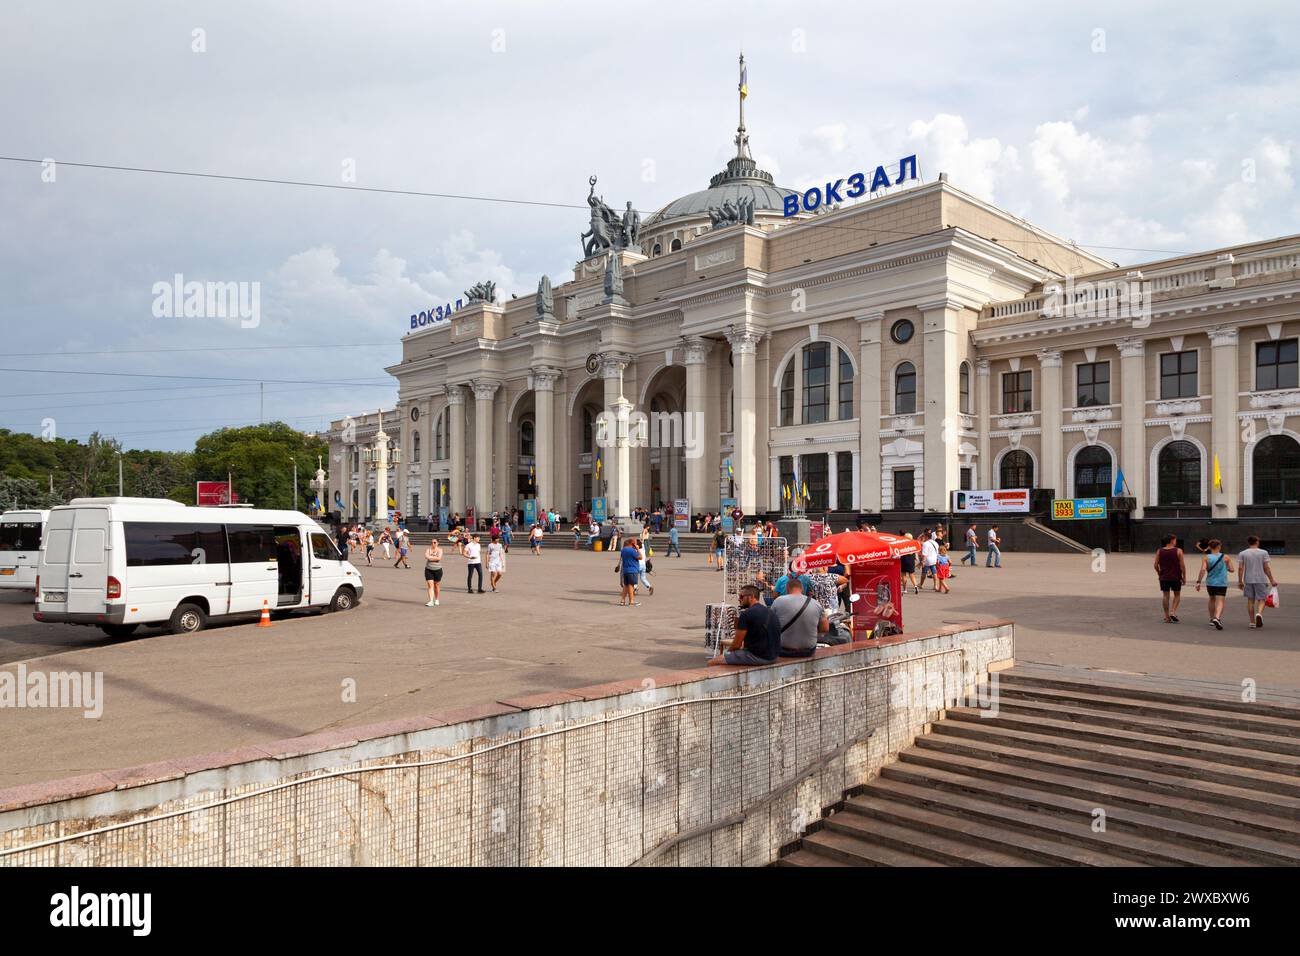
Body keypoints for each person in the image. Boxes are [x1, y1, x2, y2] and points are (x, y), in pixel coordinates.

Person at [708, 584, 778, 667]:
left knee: (712, 662)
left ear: (751, 597)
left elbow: (737, 644)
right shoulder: (770, 612)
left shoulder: (746, 614)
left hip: (758, 657)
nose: (739, 599)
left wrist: (727, 654)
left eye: (741, 596)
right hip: (773, 656)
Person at [772, 577, 840, 658]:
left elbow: (771, 624)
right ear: (802, 588)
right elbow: (825, 628)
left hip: (784, 650)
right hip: (808, 651)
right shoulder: (816, 604)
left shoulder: (778, 601)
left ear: (787, 589)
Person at [1237, 535, 1278, 629]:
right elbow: (1266, 568)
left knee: (1250, 600)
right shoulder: (1263, 552)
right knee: (1262, 599)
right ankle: (1259, 614)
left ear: (1248, 543)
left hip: (1248, 579)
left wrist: (1240, 581)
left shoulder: (1243, 553)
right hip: (1261, 579)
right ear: (1257, 542)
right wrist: (1272, 580)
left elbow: (1240, 568)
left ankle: (1252, 622)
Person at [1194, 539, 1233, 630]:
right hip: (1221, 583)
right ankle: (1217, 617)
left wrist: (1198, 582)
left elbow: (1203, 570)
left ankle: (1212, 619)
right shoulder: (1226, 557)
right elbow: (1231, 569)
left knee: (1212, 599)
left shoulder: (1206, 557)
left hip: (1210, 582)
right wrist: (1225, 566)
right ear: (1219, 546)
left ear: (1209, 547)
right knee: (1220, 601)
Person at [1154, 534, 1186, 623]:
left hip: (1164, 576)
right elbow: (1182, 566)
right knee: (1177, 595)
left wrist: (1159, 573)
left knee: (1165, 596)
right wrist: (1184, 577)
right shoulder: (1179, 551)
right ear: (1172, 540)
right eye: (1175, 540)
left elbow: (1155, 565)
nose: (1176, 541)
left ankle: (1166, 616)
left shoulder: (1159, 551)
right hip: (1176, 576)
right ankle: (1173, 611)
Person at [619, 537, 642, 606]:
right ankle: (631, 601)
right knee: (631, 585)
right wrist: (637, 549)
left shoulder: (623, 550)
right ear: (632, 543)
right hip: (632, 570)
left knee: (625, 586)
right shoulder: (632, 551)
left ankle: (622, 601)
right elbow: (641, 557)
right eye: (635, 543)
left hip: (625, 570)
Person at [423, 538, 444, 606]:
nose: (433, 544)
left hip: (438, 569)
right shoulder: (428, 550)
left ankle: (437, 599)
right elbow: (426, 556)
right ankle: (431, 601)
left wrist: (430, 557)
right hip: (428, 569)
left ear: (438, 543)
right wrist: (434, 558)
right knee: (430, 585)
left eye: (435, 542)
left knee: (436, 585)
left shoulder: (440, 550)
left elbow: (439, 558)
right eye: (432, 542)